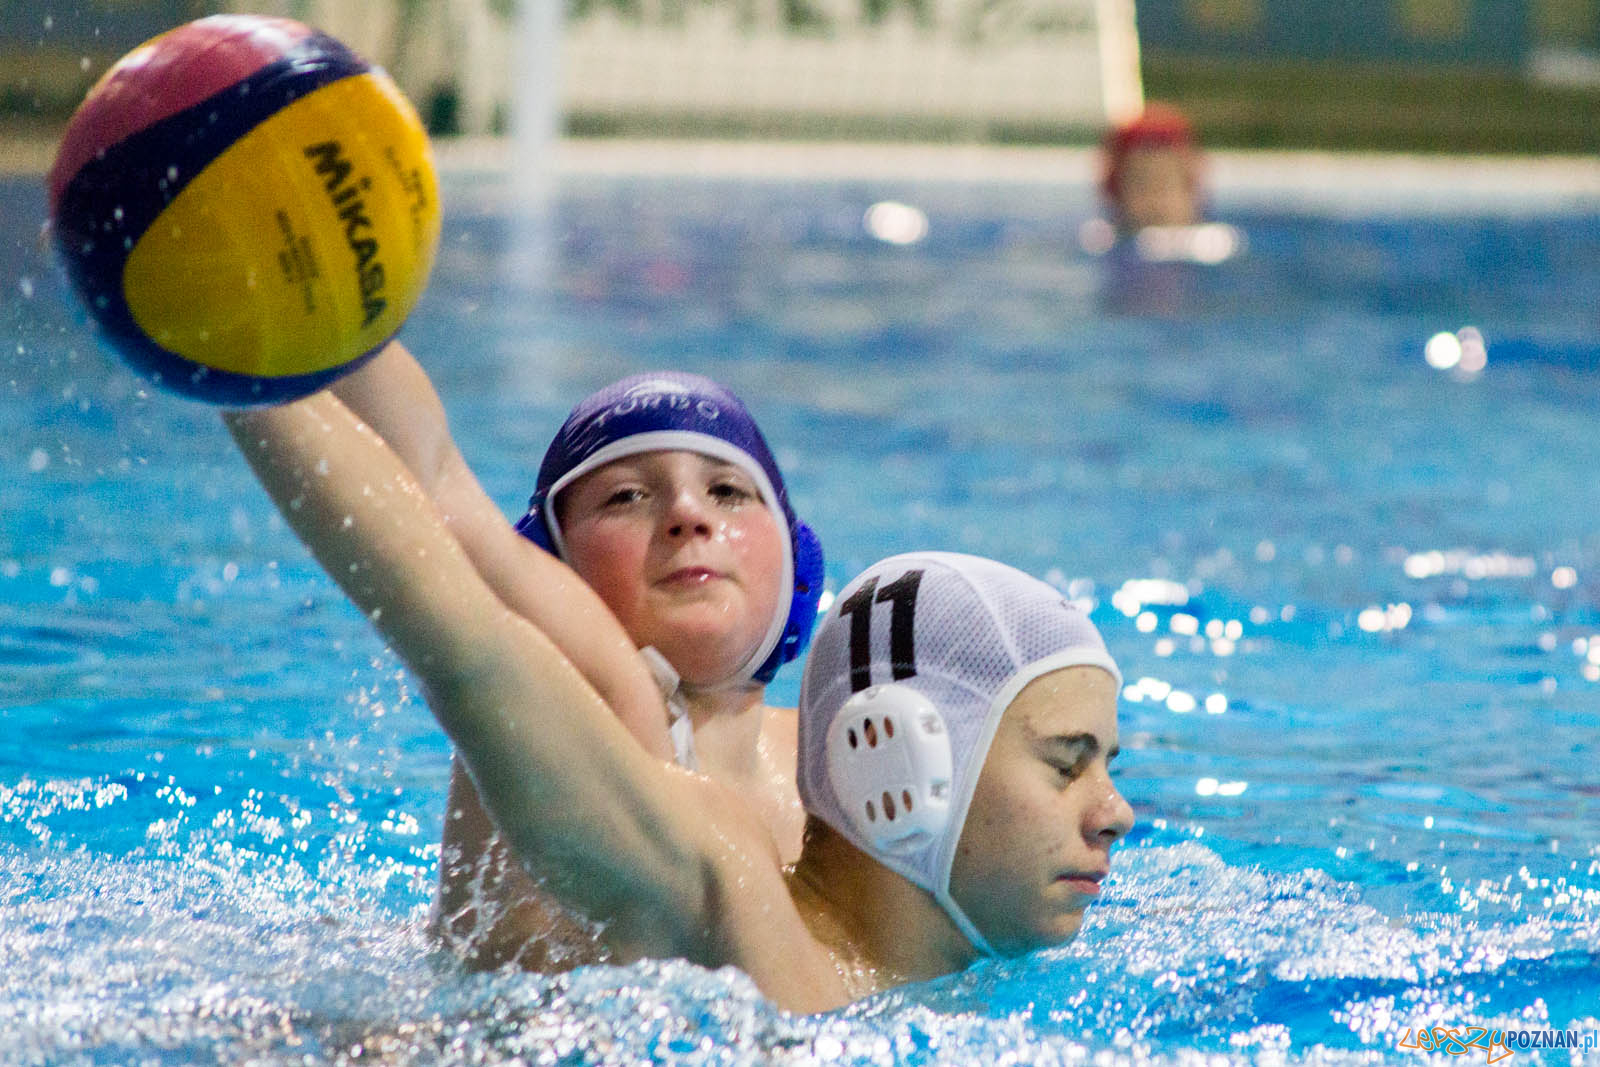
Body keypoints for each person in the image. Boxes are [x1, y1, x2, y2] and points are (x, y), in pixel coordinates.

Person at [223, 390, 1133, 1011]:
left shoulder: (948, 952)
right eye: (1067, 763)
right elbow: (467, 641)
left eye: (729, 490)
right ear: (905, 761)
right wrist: (240, 362)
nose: (1118, 813)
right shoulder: (723, 889)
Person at [321, 345, 822, 969]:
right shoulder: (547, 718)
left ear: (797, 559)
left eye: (727, 490)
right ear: (546, 569)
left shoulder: (845, 761)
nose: (689, 515)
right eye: (627, 497)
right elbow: (432, 480)